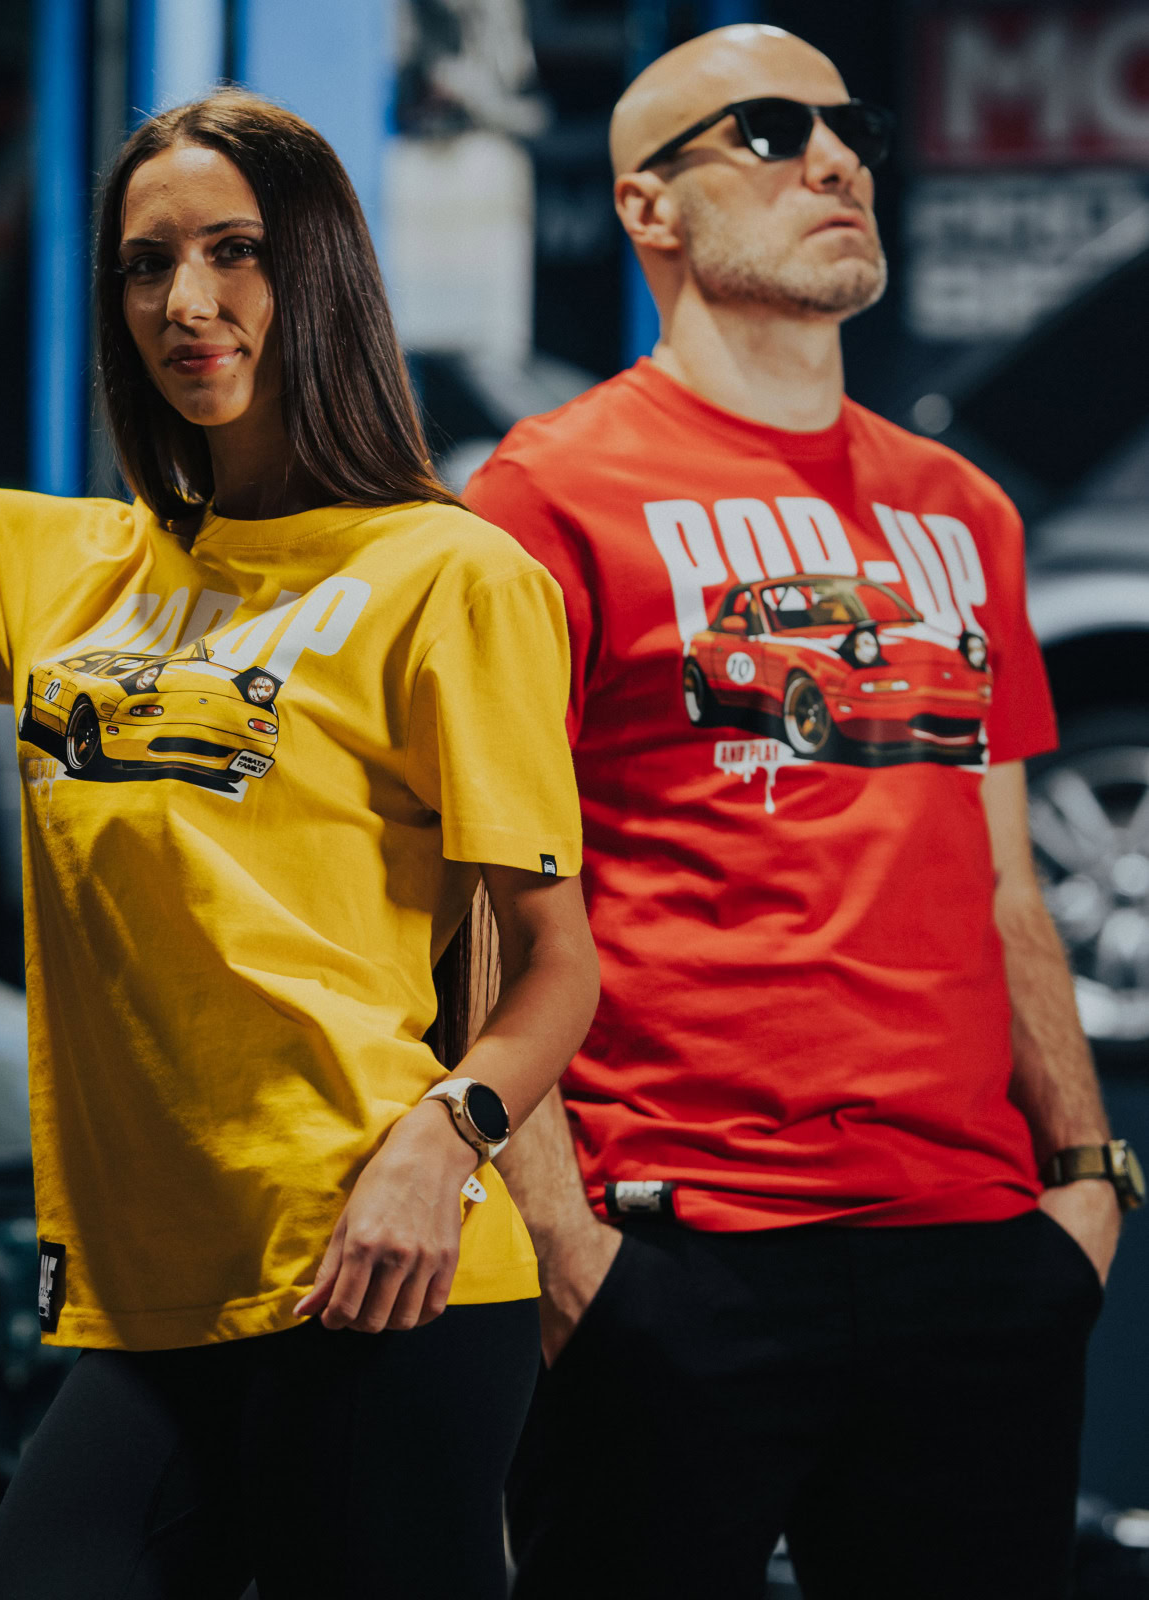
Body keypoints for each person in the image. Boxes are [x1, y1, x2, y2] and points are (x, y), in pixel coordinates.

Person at [0, 91, 599, 1599]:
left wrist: (441, 1146)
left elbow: (557, 970)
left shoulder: (449, 574)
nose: (185, 303)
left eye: (235, 252)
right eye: (146, 265)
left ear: (315, 269)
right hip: (143, 1299)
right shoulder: (76, 567)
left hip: (383, 1276)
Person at [466, 25, 1143, 1600]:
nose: (833, 162)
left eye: (848, 133)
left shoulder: (957, 508)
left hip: (977, 1253)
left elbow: (1004, 888)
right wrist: (566, 1247)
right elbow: (487, 895)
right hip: (682, 1246)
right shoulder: (547, 495)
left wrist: (1088, 1187)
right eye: (768, 133)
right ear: (648, 207)